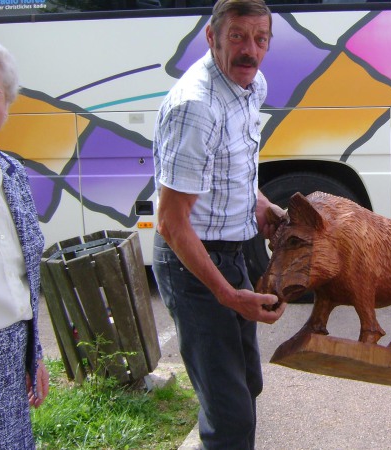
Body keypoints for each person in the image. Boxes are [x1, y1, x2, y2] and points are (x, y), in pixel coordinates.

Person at [151, 0, 286, 448]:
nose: (250, 50)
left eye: (260, 38)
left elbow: (234, 169)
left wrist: (260, 203)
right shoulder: (196, 107)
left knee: (248, 386)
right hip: (193, 263)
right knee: (229, 417)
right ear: (211, 37)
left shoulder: (252, 85)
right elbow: (171, 223)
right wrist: (228, 296)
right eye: (237, 37)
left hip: (234, 249)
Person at [0, 31, 49, 449]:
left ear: (7, 101)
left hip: (10, 363)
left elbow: (23, 279)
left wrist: (31, 354)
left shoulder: (12, 173)